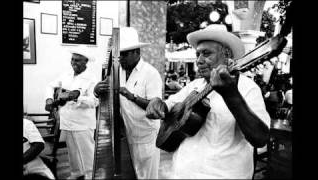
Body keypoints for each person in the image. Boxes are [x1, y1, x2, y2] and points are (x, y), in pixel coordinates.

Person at [146, 24, 271, 179]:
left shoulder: (247, 88)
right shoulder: (195, 85)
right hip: (181, 173)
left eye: (206, 53)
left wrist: (231, 95)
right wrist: (157, 102)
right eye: (197, 54)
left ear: (226, 54)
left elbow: (260, 138)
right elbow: (169, 105)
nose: (199, 60)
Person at [93, 27, 163, 179]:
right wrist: (96, 90)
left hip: (146, 136)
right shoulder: (118, 72)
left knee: (147, 176)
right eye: (118, 55)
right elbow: (104, 98)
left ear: (137, 52)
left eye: (124, 55)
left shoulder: (151, 73)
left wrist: (132, 97)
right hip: (127, 135)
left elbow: (155, 107)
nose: (120, 59)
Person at [44, 46, 99, 179]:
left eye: (78, 60)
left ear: (86, 61)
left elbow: (95, 101)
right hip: (67, 121)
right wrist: (49, 98)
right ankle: (76, 174)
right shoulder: (66, 74)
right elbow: (50, 86)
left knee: (87, 154)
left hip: (83, 124)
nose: (73, 63)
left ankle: (90, 176)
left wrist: (75, 97)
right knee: (73, 153)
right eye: (73, 59)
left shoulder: (92, 79)